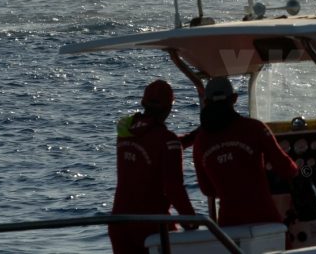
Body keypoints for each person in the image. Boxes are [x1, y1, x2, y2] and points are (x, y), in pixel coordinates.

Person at [191, 77, 299, 227]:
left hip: (229, 226)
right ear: (234, 99)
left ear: (206, 102)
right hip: (264, 218)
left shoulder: (200, 141)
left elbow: (207, 189)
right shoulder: (255, 128)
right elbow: (286, 168)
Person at [109, 79, 197, 254]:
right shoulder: (167, 141)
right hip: (152, 227)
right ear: (169, 108)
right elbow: (173, 188)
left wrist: (193, 137)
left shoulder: (125, 132)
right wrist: (191, 221)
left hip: (119, 224)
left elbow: (153, 146)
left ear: (143, 102)